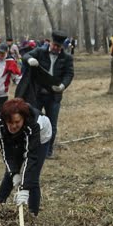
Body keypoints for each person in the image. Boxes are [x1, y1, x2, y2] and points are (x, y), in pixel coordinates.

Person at [15, 30, 73, 158]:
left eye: (59, 46)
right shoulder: (40, 51)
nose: (56, 48)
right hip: (37, 94)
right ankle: (31, 148)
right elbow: (25, 56)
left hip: (54, 96)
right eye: (54, 45)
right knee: (33, 121)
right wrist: (30, 59)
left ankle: (48, 150)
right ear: (50, 42)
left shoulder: (67, 58)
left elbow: (69, 74)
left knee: (52, 123)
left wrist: (62, 86)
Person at [0, 97, 51, 215]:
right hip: (20, 135)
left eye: (17, 122)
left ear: (23, 118)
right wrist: (14, 173)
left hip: (41, 136)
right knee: (10, 172)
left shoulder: (34, 124)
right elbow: (6, 152)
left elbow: (31, 157)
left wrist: (24, 188)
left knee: (33, 176)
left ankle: (32, 214)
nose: (13, 126)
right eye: (10, 122)